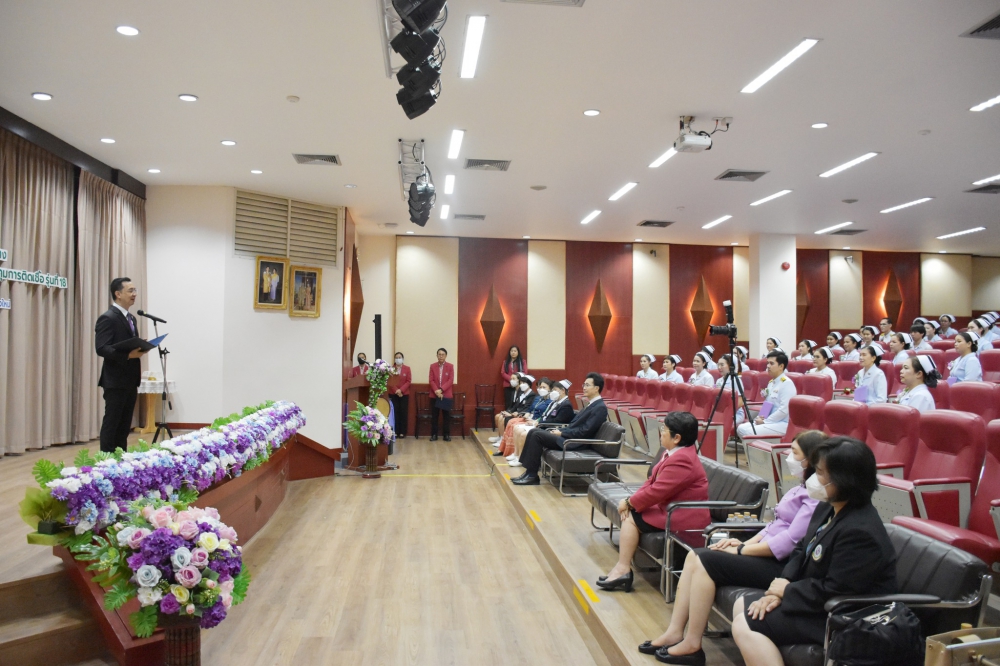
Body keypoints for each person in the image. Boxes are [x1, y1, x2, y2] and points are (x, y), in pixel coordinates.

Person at [641, 431, 825, 663]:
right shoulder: (800, 487)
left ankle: (692, 643)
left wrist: (740, 551)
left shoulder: (815, 497)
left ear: (810, 459)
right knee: (695, 557)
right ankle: (676, 632)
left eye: (795, 453)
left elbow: (789, 541)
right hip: (763, 553)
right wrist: (743, 543)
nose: (788, 456)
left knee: (705, 559)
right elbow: (773, 525)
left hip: (780, 565)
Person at [731, 438, 897, 665]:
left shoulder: (860, 532)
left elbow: (837, 590)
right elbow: (802, 548)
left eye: (819, 473)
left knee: (746, 623)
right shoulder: (828, 506)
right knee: (743, 605)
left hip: (846, 617)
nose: (812, 479)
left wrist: (787, 591)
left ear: (844, 480)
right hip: (816, 602)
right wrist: (780, 587)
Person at [597, 412, 710, 593]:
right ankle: (622, 569)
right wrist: (631, 501)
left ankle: (623, 569)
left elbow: (657, 491)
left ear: (677, 438)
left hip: (683, 516)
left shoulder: (683, 460)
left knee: (631, 517)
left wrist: (629, 503)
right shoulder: (672, 453)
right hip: (670, 508)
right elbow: (651, 481)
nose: (661, 432)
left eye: (664, 429)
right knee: (631, 512)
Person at [512, 373, 609, 485]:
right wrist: (562, 431)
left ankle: (532, 475)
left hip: (575, 442)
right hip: (569, 437)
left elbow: (585, 431)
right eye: (584, 385)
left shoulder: (600, 407)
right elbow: (574, 426)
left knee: (537, 435)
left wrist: (562, 433)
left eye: (587, 385)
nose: (584, 387)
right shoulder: (591, 404)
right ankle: (528, 472)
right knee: (534, 431)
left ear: (596, 388)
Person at [95, 277, 148, 453]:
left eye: (135, 290)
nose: (134, 294)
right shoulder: (108, 318)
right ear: (118, 294)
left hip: (130, 378)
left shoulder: (131, 318)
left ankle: (120, 458)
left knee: (124, 424)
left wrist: (141, 347)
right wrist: (128, 355)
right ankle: (106, 460)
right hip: (115, 380)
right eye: (130, 290)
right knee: (112, 422)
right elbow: (102, 348)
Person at [504, 379, 575, 466]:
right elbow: (545, 415)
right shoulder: (555, 402)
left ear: (563, 391)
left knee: (523, 434)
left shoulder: (566, 405)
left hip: (550, 428)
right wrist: (536, 421)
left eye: (555, 390)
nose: (552, 392)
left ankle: (521, 459)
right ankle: (516, 455)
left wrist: (538, 423)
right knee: (517, 429)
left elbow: (558, 421)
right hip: (542, 424)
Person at [737, 351, 796, 439]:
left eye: (771, 363)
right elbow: (767, 404)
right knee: (741, 428)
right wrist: (760, 417)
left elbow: (784, 410)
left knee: (749, 432)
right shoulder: (771, 382)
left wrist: (766, 421)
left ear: (781, 366)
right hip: (769, 421)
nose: (768, 366)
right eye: (767, 363)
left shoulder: (786, 383)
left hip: (782, 423)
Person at [493, 377, 550, 457]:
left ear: (550, 389)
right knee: (510, 422)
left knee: (515, 426)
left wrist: (534, 421)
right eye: (540, 387)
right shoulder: (538, 398)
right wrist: (526, 414)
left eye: (544, 387)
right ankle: (508, 449)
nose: (541, 389)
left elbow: (544, 415)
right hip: (528, 417)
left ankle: (517, 455)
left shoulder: (549, 401)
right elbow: (529, 409)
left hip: (535, 421)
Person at [491, 373, 535, 439]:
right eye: (521, 383)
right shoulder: (521, 393)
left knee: (505, 418)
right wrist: (508, 412)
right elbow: (515, 406)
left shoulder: (532, 395)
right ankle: (500, 437)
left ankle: (504, 439)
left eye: (524, 383)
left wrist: (513, 414)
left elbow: (527, 407)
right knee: (500, 416)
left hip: (521, 414)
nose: (521, 385)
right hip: (516, 412)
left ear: (529, 384)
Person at [428, 348, 454, 441]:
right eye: (439, 354)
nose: (441, 356)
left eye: (443, 354)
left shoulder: (450, 366)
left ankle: (446, 435)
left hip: (446, 395)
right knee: (434, 416)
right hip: (435, 395)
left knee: (446, 416)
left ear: (446, 356)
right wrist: (437, 391)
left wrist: (441, 390)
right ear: (437, 356)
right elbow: (431, 380)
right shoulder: (432, 366)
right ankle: (434, 435)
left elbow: (450, 380)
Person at [715, 355, 746, 425]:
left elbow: (740, 402)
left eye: (722, 365)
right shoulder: (718, 381)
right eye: (718, 365)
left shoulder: (736, 380)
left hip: (735, 413)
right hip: (721, 412)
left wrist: (727, 412)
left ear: (730, 366)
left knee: (723, 424)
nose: (719, 367)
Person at [389, 352, 412, 439]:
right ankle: (395, 431)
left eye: (400, 357)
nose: (398, 359)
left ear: (402, 359)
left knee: (403, 412)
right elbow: (390, 381)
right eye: (396, 357)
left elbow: (408, 381)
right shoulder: (391, 369)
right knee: (395, 412)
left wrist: (401, 390)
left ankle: (402, 432)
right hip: (393, 393)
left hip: (404, 394)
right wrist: (396, 390)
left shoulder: (407, 369)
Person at [501, 346, 527, 411]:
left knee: (517, 402)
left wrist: (516, 380)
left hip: (519, 385)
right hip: (508, 385)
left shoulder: (522, 362)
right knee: (508, 402)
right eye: (512, 351)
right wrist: (512, 379)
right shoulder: (505, 362)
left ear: (518, 352)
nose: (513, 352)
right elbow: (503, 373)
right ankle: (507, 414)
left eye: (515, 351)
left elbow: (525, 372)